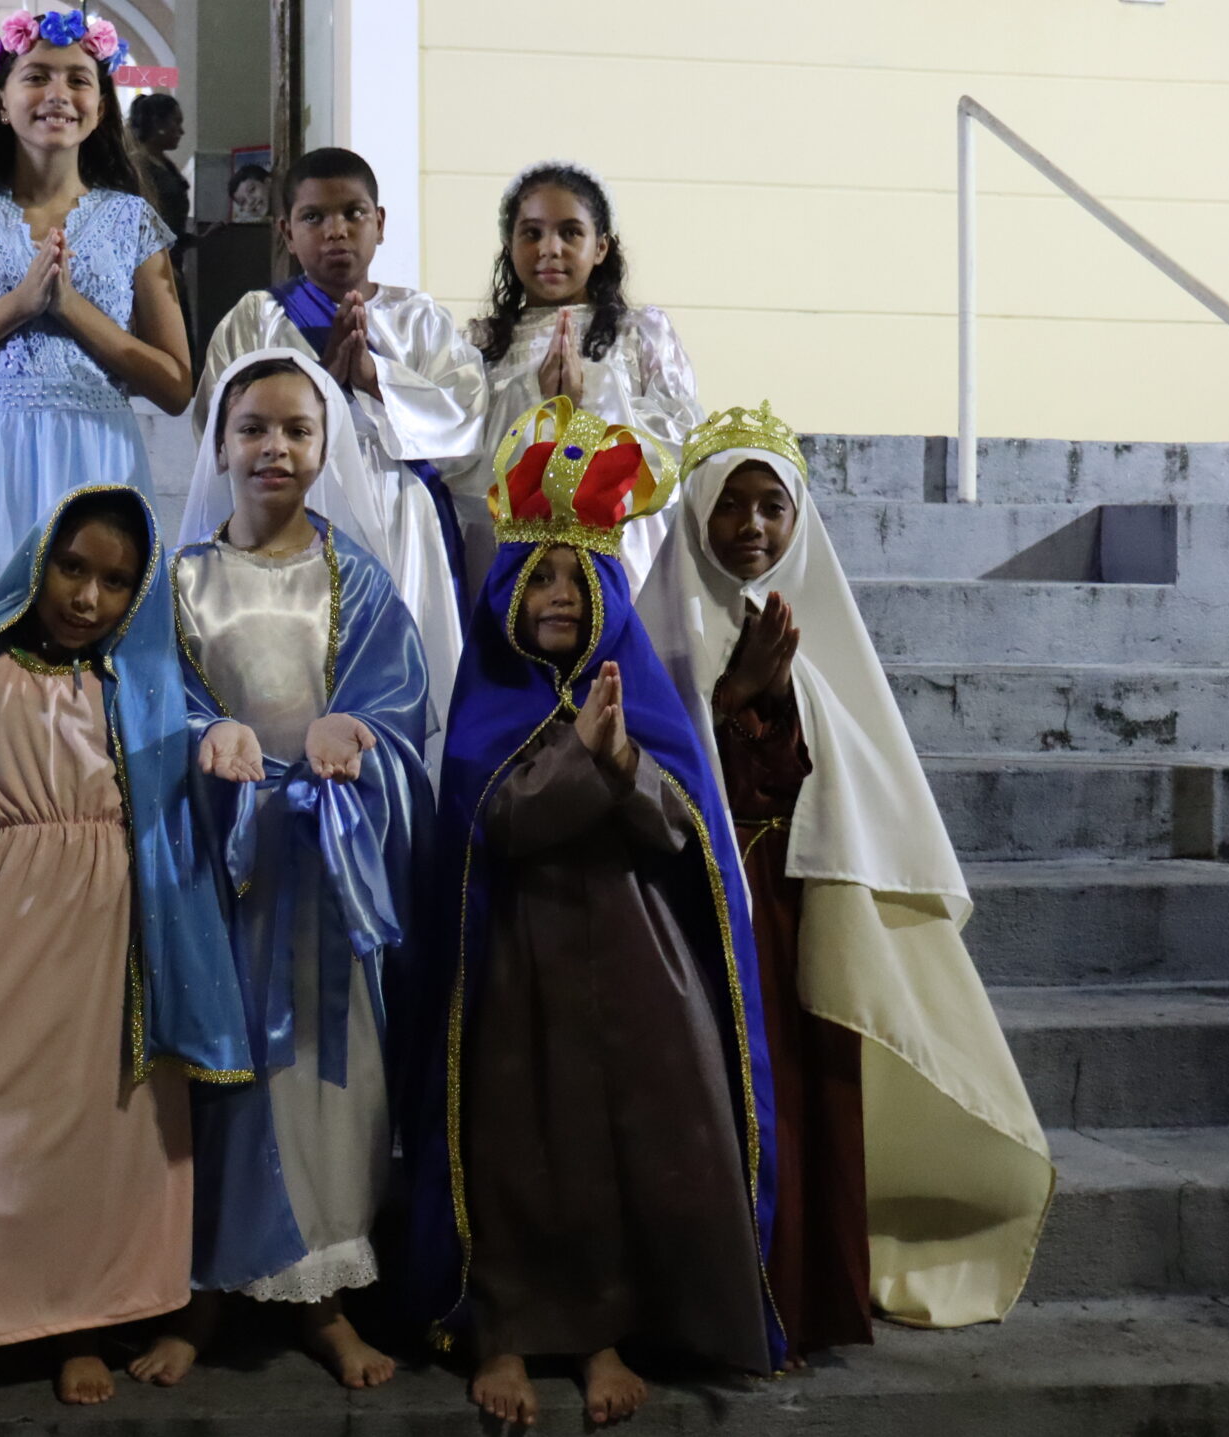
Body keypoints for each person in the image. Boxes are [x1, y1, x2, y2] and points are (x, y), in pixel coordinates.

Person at [639, 402, 1054, 1360]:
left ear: (800, 519)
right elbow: (656, 777)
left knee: (802, 1097)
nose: (750, 525)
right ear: (695, 511)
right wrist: (729, 700)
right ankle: (706, 1305)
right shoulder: (659, 633)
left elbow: (858, 780)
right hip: (698, 914)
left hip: (800, 911)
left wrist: (778, 697)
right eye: (729, 503)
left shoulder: (819, 638)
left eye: (771, 505)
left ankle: (801, 1294)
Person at [408, 397, 781, 1430]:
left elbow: (681, 830)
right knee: (513, 1141)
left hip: (632, 960)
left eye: (578, 579)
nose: (559, 596)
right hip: (514, 962)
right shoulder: (490, 703)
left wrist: (624, 763)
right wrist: (587, 759)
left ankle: (604, 1325)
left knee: (618, 1139)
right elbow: (498, 821)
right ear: (506, 592)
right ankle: (504, 1326)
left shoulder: (639, 696)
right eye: (540, 577)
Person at [0, 486, 251, 1407]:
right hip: (4, 913)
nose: (87, 597)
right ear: (38, 562)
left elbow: (191, 776)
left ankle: (81, 1327)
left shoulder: (142, 676)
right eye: (72, 568)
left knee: (96, 1134)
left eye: (115, 581)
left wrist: (227, 734)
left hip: (117, 925)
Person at [151, 352, 431, 1393]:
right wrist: (206, 734)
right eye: (253, 427)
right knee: (221, 1080)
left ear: (326, 446)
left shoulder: (356, 578)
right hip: (220, 873)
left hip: (322, 870)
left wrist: (354, 731)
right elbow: (154, 701)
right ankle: (203, 1289)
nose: (274, 447)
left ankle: (323, 1296)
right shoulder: (181, 581)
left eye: (297, 430)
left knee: (327, 1080)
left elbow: (397, 703)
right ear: (218, 444)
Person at [0, 7, 191, 650]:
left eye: (78, 80)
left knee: (96, 644)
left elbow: (175, 384)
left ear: (100, 107)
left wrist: (72, 310)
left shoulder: (133, 220)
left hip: (98, 457)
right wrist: (17, 307)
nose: (58, 94)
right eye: (37, 76)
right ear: (1, 101)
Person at [194, 148, 481, 776]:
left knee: (406, 669)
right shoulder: (257, 318)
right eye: (314, 217)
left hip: (402, 515)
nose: (336, 231)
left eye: (353, 213)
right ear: (285, 230)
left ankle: (404, 788)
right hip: (296, 515)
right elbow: (214, 423)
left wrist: (377, 380)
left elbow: (466, 425)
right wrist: (318, 388)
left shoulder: (420, 320)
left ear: (380, 221)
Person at [458, 159, 698, 588]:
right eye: (532, 233)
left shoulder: (641, 334)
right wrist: (529, 396)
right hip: (512, 548)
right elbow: (462, 462)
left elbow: (682, 443)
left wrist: (593, 396)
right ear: (509, 245)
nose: (550, 248)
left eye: (570, 232)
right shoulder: (480, 344)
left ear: (601, 247)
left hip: (621, 546)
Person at [126, 94, 191, 246]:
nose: (181, 131)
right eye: (176, 122)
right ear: (158, 124)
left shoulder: (165, 164)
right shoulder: (137, 167)